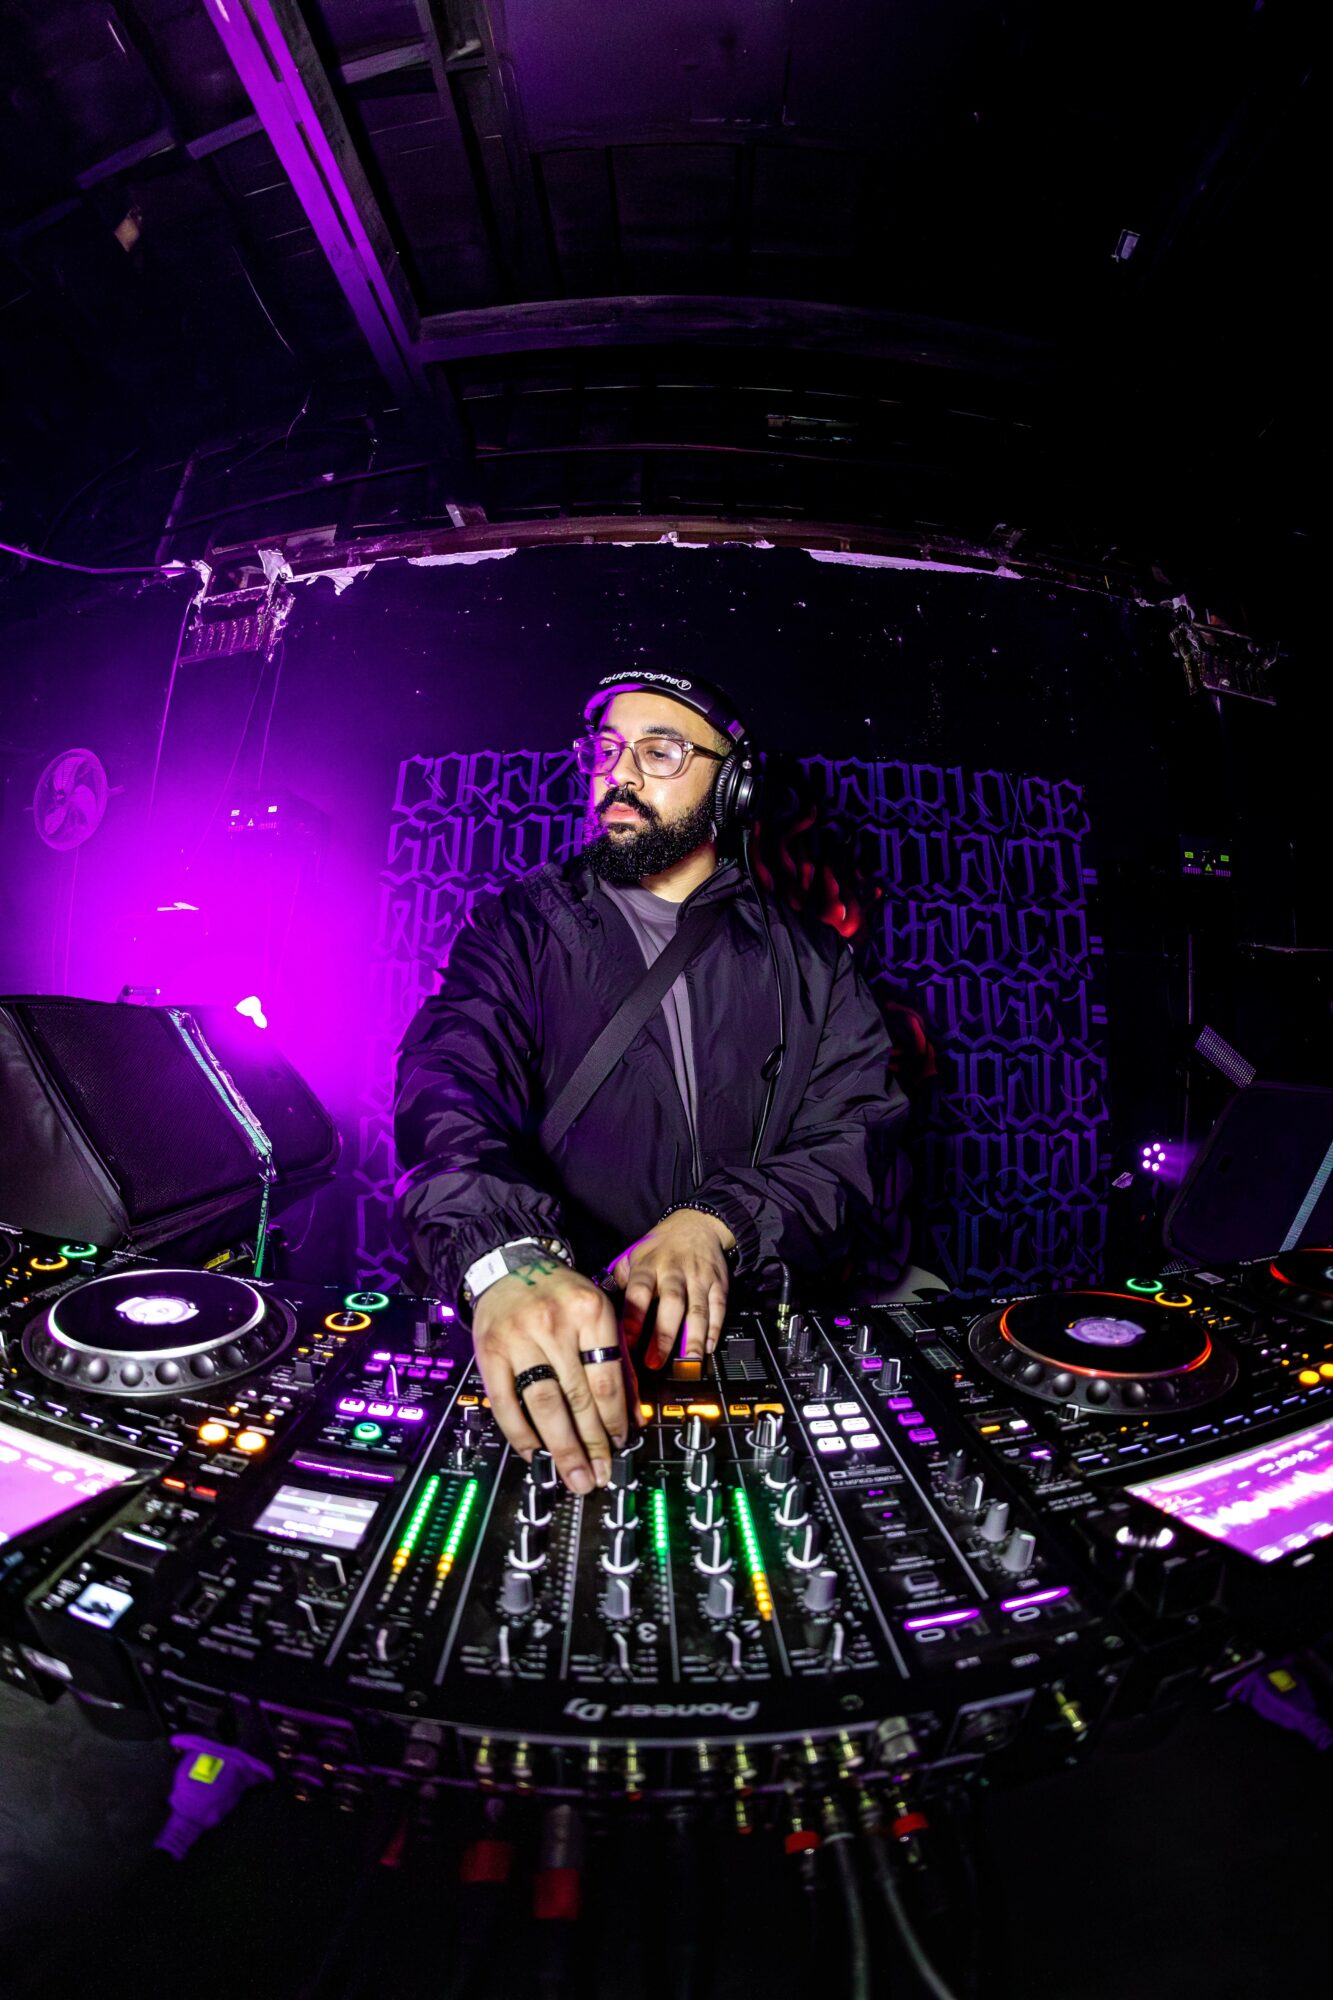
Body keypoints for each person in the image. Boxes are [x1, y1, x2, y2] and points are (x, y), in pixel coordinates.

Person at [394, 669, 907, 1496]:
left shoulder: (812, 961)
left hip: (732, 1334)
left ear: (733, 786)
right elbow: (449, 1085)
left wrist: (719, 1222)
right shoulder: (521, 924)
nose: (618, 776)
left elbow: (856, 1141)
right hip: (545, 1316)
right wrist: (501, 1256)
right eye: (604, 751)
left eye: (659, 751)